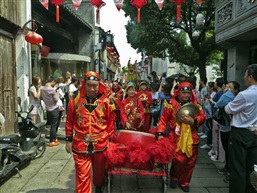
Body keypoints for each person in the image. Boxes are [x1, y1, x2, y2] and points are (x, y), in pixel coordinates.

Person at [65, 71, 115, 193]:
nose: (92, 89)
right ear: (84, 85)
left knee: (99, 173)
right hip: (80, 143)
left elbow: (110, 122)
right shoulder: (75, 100)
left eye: (95, 85)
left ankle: (99, 185)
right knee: (82, 175)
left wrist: (109, 139)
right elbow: (69, 121)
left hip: (101, 143)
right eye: (89, 85)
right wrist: (68, 140)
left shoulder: (106, 102)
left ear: (99, 85)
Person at [157, 82, 206, 192]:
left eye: (188, 93)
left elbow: (203, 117)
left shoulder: (195, 105)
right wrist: (160, 133)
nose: (186, 95)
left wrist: (193, 121)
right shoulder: (171, 104)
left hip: (192, 137)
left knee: (190, 161)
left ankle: (185, 182)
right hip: (176, 137)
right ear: (178, 92)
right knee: (178, 160)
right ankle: (174, 177)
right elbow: (163, 120)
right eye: (183, 92)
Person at [225, 64, 257, 193]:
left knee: (238, 167)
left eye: (245, 74)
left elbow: (228, 108)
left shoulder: (245, 94)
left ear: (250, 77)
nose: (243, 77)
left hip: (240, 133)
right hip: (254, 132)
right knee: (253, 166)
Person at [41, 76, 60, 147]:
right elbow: (56, 99)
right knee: (54, 125)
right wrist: (57, 92)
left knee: (52, 125)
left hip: (48, 109)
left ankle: (54, 138)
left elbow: (42, 98)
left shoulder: (43, 89)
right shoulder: (52, 90)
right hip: (54, 108)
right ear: (52, 81)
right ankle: (52, 141)